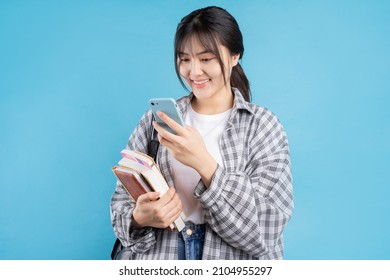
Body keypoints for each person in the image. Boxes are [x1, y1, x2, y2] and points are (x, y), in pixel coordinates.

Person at [110, 6, 293, 260]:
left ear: (235, 55)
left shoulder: (262, 126)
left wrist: (203, 163)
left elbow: (266, 230)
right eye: (185, 59)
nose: (194, 72)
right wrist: (139, 218)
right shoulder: (156, 121)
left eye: (206, 59)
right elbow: (121, 201)